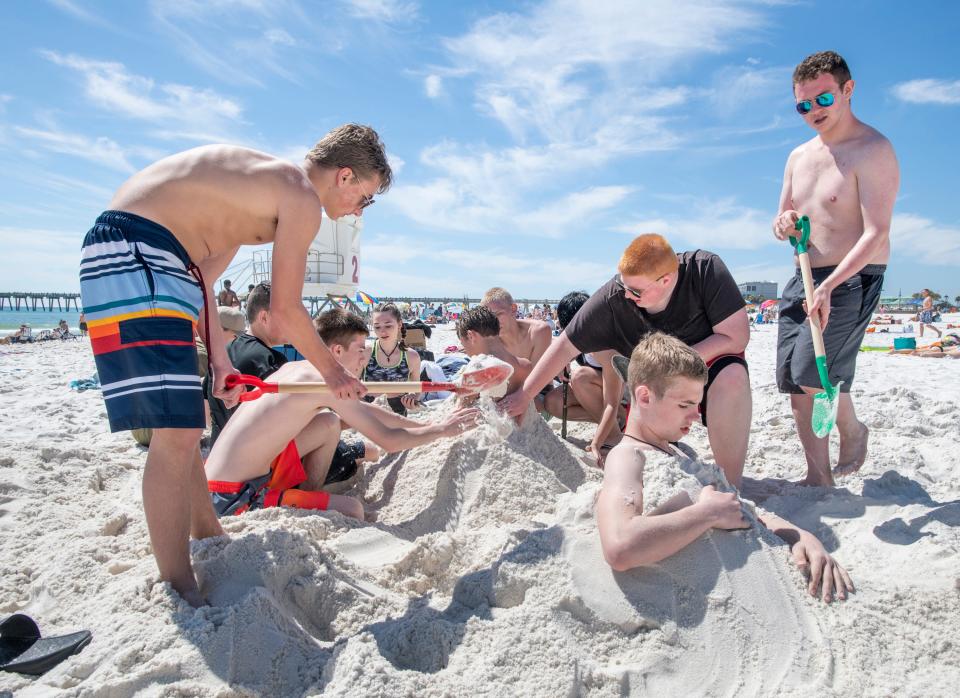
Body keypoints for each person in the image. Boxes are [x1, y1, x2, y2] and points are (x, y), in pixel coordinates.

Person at [78, 123, 392, 605]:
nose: (358, 210)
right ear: (345, 176)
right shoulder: (301, 197)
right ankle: (179, 584)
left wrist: (220, 357)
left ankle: (207, 532)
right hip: (139, 248)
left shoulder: (248, 200)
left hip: (146, 250)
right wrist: (333, 373)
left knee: (188, 421)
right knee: (176, 434)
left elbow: (200, 278)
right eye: (365, 198)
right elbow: (286, 310)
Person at [597, 333, 854, 603]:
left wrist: (799, 535)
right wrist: (706, 513)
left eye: (698, 404)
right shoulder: (627, 456)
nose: (696, 416)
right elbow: (620, 547)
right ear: (645, 397)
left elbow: (735, 506)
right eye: (685, 404)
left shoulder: (679, 451)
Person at [500, 234, 751, 487]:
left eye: (635, 290)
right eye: (623, 285)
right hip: (653, 384)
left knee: (732, 378)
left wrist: (671, 364)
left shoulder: (704, 269)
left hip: (708, 363)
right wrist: (524, 395)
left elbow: (736, 336)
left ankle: (730, 488)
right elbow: (564, 345)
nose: (627, 295)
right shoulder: (616, 295)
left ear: (666, 280)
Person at [205, 309, 480, 521]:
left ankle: (308, 498)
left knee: (327, 423)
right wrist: (444, 430)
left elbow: (368, 411)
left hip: (219, 484)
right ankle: (303, 507)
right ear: (337, 350)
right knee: (352, 509)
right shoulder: (323, 383)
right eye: (361, 350)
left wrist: (427, 423)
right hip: (231, 498)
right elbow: (390, 440)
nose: (364, 358)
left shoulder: (301, 369)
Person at [772, 51, 899, 486]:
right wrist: (784, 223)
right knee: (794, 381)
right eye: (802, 105)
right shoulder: (798, 156)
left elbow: (876, 233)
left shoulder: (872, 149)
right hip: (804, 274)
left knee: (814, 374)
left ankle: (851, 428)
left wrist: (831, 286)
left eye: (822, 99)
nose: (813, 112)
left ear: (848, 89)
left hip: (852, 278)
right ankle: (818, 476)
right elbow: (781, 221)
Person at [541, 291, 625, 466]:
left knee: (580, 377)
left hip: (624, 394)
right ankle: (615, 421)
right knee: (553, 402)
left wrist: (596, 442)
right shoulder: (580, 338)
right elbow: (558, 350)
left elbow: (611, 401)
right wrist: (563, 362)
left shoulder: (604, 346)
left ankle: (614, 435)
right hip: (604, 392)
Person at [207, 282, 289, 446]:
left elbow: (206, 413)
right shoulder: (273, 360)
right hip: (257, 462)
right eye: (288, 316)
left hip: (219, 450)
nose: (294, 324)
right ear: (264, 317)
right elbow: (286, 423)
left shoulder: (220, 357)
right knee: (328, 424)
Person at [455, 306, 531, 396]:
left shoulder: (475, 373)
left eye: (463, 344)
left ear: (471, 336)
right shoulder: (526, 365)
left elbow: (461, 407)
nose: (467, 352)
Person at [363, 303, 422, 415]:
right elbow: (352, 388)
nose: (382, 331)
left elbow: (416, 389)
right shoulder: (366, 353)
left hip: (398, 418)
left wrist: (413, 398)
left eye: (388, 326)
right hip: (370, 418)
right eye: (377, 327)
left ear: (399, 324)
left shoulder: (411, 356)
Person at [481, 287, 553, 368]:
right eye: (488, 317)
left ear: (513, 309)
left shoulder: (538, 331)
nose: (493, 321)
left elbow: (537, 377)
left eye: (498, 314)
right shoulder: (486, 343)